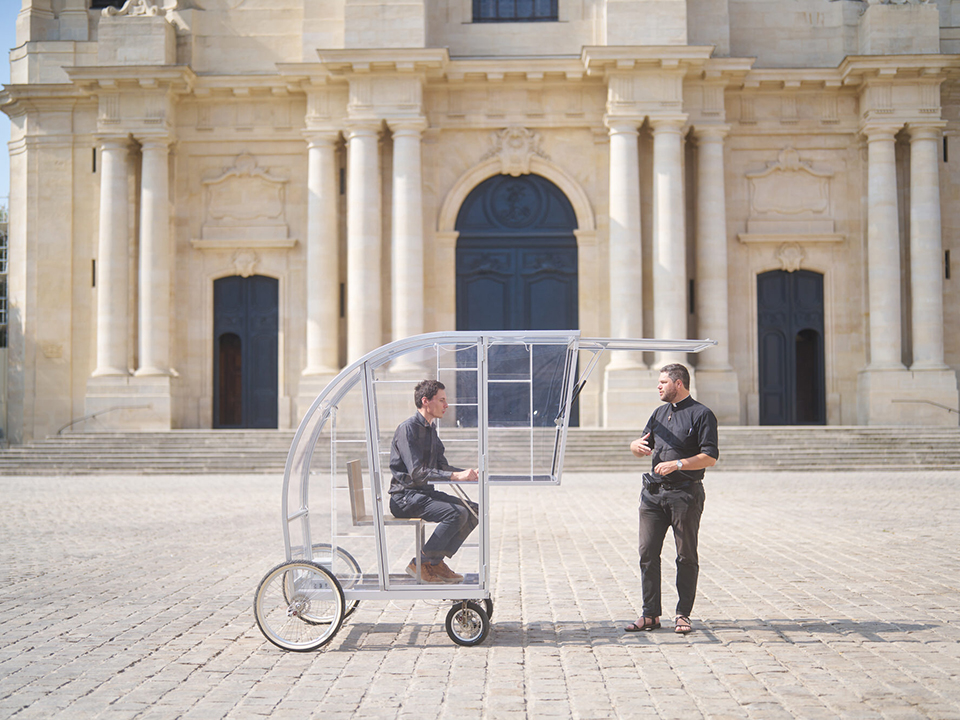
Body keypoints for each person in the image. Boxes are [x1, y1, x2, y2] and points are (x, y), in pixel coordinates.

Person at [624, 363, 719, 635]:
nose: (658, 386)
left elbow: (710, 457)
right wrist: (634, 447)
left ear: (679, 384)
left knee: (685, 555)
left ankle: (683, 615)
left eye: (663, 382)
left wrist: (677, 464)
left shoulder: (702, 414)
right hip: (653, 495)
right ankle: (650, 615)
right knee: (647, 553)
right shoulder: (658, 413)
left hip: (685, 495)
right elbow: (643, 445)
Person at [388, 379, 479, 584]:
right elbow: (418, 473)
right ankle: (420, 563)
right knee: (456, 513)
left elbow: (441, 466)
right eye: (442, 400)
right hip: (404, 498)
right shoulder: (407, 429)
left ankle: (434, 563)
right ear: (426, 401)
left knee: (473, 511)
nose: (446, 405)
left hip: (423, 494)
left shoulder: (430, 429)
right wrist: (456, 476)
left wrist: (467, 473)